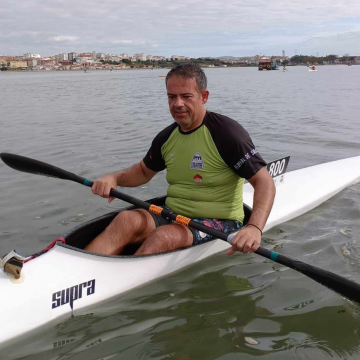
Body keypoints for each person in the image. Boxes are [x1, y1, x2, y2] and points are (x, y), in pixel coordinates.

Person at [85, 63, 276, 256]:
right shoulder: (166, 138)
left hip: (220, 220)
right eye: (171, 96)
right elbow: (142, 172)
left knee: (164, 236)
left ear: (204, 97)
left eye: (186, 96)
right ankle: (81, 272)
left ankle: (119, 279)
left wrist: (254, 228)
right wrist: (114, 178)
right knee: (126, 219)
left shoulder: (228, 134)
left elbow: (264, 182)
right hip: (173, 213)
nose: (177, 104)